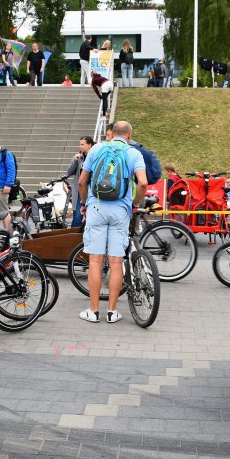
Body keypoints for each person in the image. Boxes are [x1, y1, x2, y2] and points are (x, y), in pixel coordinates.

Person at [78, 121, 147, 324]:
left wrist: (84, 203)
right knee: (116, 261)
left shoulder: (97, 148)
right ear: (129, 135)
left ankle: (93, 311)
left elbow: (82, 181)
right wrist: (133, 203)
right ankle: (112, 312)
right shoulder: (133, 153)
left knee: (95, 261)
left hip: (97, 207)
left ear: (111, 134)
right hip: (120, 210)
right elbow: (143, 182)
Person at [66, 136, 95, 228]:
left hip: (92, 191)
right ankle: (73, 239)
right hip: (80, 191)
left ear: (89, 145)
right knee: (77, 217)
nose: (80, 146)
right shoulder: (80, 157)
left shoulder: (96, 156)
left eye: (83, 144)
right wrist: (75, 160)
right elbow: (69, 172)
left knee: (92, 218)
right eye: (80, 144)